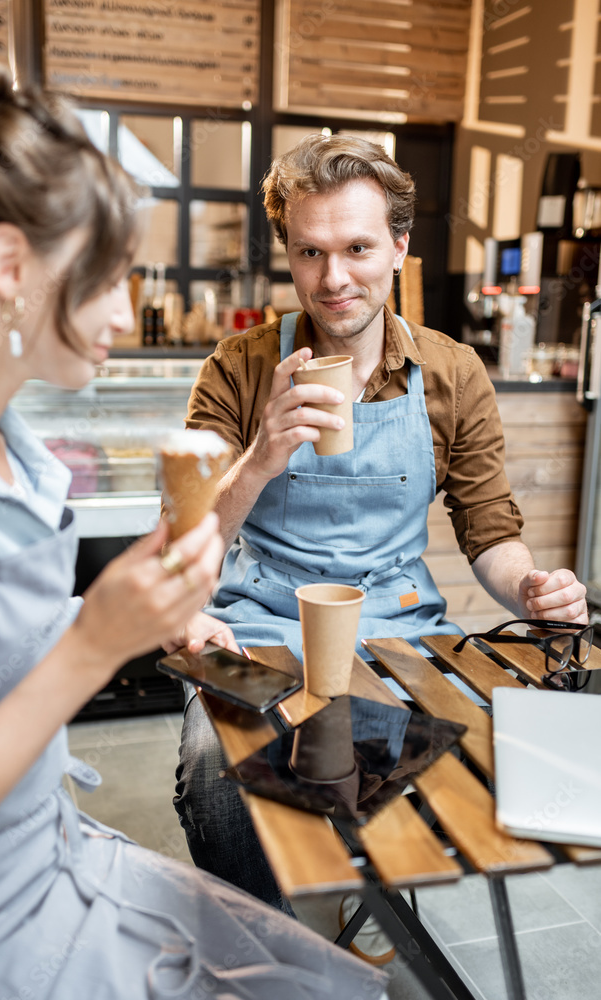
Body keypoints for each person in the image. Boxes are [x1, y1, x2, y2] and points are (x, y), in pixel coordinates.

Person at [0, 59, 388, 999]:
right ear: (11, 268)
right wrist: (96, 642)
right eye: (107, 279)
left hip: (55, 859)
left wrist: (117, 616)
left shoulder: (7, 448)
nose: (120, 312)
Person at [173, 133, 588, 920]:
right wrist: (260, 456)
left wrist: (532, 587)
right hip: (261, 630)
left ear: (399, 245)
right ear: (288, 253)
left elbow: (489, 532)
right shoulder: (239, 367)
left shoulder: (453, 372)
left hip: (398, 629)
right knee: (214, 775)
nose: (332, 280)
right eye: (309, 253)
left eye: (357, 248)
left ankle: (376, 914)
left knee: (499, 762)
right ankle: (267, 953)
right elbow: (182, 543)